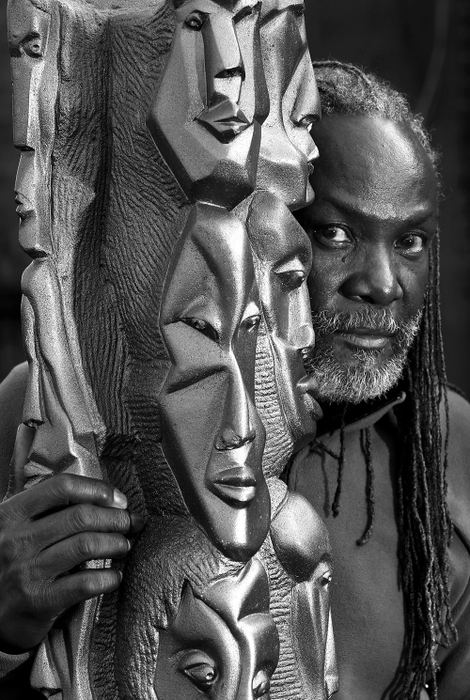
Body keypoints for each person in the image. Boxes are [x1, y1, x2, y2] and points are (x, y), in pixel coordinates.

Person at [289, 61, 470, 700]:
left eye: (410, 241)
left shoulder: (451, 448)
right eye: (336, 234)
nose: (383, 283)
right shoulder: (67, 408)